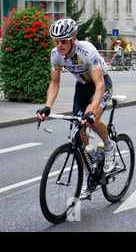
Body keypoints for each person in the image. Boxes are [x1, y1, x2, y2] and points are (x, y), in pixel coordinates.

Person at [36, 18, 116, 200]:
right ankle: (89, 177)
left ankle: (110, 146)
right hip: (81, 87)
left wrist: (92, 110)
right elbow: (54, 84)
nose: (59, 45)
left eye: (63, 40)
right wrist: (48, 107)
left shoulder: (88, 51)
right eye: (55, 41)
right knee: (78, 133)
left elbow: (100, 85)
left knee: (92, 119)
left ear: (73, 38)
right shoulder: (55, 54)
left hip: (100, 84)